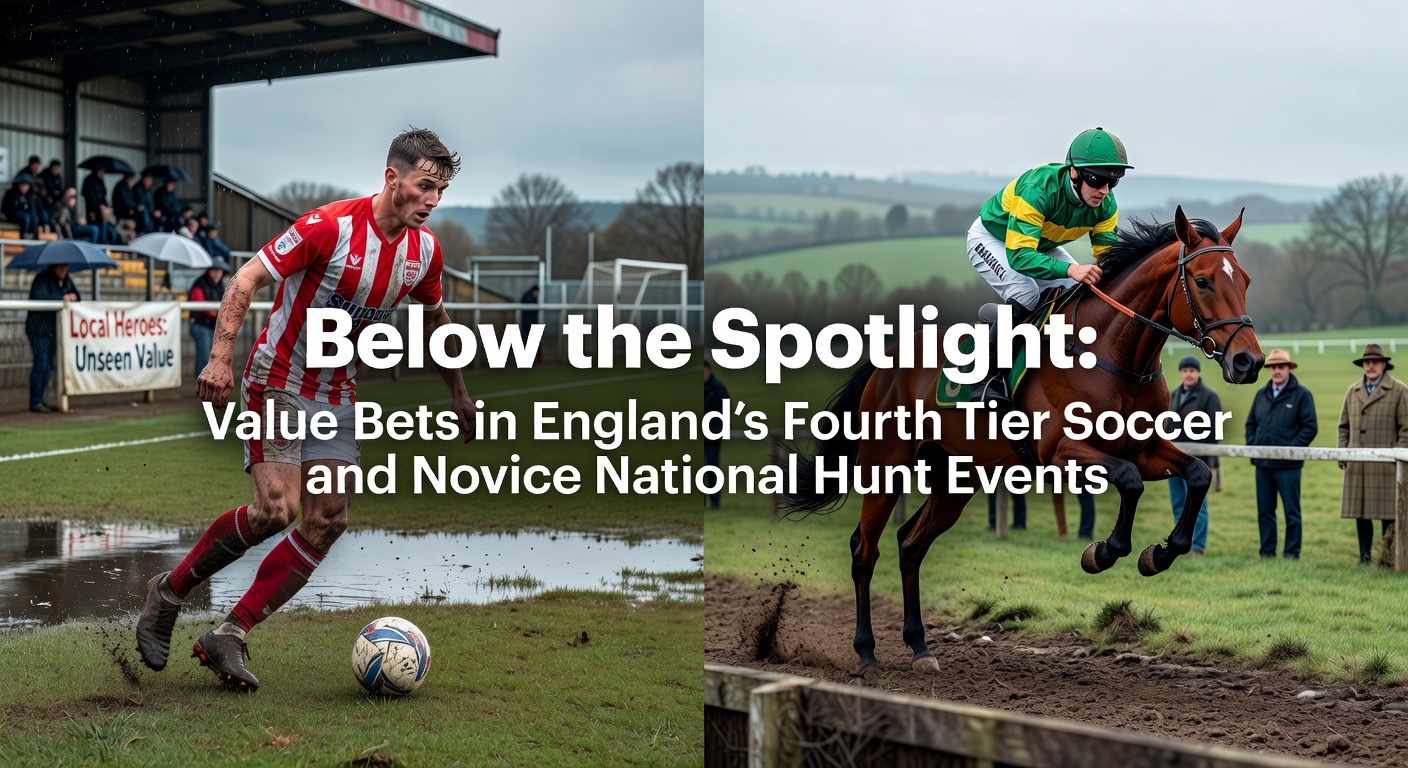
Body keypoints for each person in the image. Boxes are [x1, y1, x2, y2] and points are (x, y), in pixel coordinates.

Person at [136, 128, 476, 692]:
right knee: (276, 509)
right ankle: (168, 593)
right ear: (392, 178)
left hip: (337, 394)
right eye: (424, 186)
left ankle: (229, 633)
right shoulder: (329, 227)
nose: (433, 200)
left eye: (441, 191)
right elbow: (246, 277)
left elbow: (436, 322)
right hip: (279, 380)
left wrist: (458, 391)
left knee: (327, 520)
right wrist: (220, 358)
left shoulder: (425, 252)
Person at [968, 128, 1128, 412]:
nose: (1104, 191)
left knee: (1078, 293)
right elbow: (1019, 257)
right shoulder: (1038, 189)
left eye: (1112, 182)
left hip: (1041, 242)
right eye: (1097, 180)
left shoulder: (1105, 204)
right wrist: (1070, 269)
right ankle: (985, 379)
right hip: (994, 238)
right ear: (1074, 172)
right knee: (1026, 293)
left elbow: (1108, 258)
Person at [1338, 344, 1408, 565]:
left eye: (1375, 362)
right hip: (1358, 464)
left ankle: (1388, 559)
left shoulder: (1399, 390)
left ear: (1384, 364)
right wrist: (1343, 453)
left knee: (1389, 514)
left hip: (1387, 465)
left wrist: (1398, 456)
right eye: (1366, 362)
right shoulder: (1352, 391)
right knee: (1361, 513)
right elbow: (1343, 427)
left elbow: (1406, 429)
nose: (1370, 366)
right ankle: (1364, 557)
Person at [1245, 348, 1317, 559]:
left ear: (1288, 368)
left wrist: (1290, 450)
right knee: (1265, 512)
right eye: (1273, 366)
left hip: (1289, 466)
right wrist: (1254, 447)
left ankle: (1292, 553)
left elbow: (1310, 427)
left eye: (1281, 366)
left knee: (1291, 512)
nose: (1277, 370)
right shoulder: (1261, 394)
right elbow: (1251, 424)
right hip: (1263, 465)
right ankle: (1267, 552)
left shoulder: (1302, 395)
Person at [1167, 355, 1222, 555]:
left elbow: (1215, 431)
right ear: (1181, 373)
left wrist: (1206, 458)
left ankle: (1197, 546)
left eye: (1192, 370)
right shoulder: (1173, 395)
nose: (1188, 374)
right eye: (1185, 370)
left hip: (1197, 461)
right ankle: (1181, 544)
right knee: (1178, 503)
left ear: (1198, 372)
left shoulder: (1209, 397)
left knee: (1197, 504)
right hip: (1175, 460)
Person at [25, 264, 81, 413]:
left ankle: (39, 399)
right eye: (61, 266)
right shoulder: (42, 279)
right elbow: (39, 297)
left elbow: (77, 296)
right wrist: (62, 298)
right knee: (41, 364)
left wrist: (72, 297)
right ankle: (35, 401)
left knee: (49, 366)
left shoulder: (66, 280)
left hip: (53, 330)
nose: (64, 269)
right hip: (39, 330)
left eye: (66, 266)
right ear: (54, 266)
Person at [188, 260, 230, 379]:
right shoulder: (199, 284)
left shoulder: (221, 285)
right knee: (204, 356)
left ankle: (206, 379)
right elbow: (201, 306)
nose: (217, 273)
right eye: (214, 270)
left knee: (211, 357)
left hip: (214, 326)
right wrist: (217, 312)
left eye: (219, 270)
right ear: (209, 271)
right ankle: (202, 380)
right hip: (202, 325)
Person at [704, 359, 728, 508]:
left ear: (709, 371)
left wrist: (719, 429)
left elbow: (726, 409)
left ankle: (715, 502)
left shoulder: (718, 388)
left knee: (713, 467)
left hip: (713, 435)